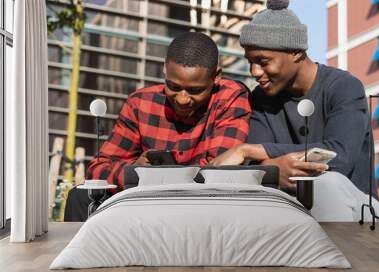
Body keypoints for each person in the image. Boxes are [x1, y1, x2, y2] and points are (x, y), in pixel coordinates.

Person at [211, 0, 379, 221]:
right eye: (250, 62)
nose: (255, 72)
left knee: (328, 183)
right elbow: (255, 169)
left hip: (366, 215)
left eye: (263, 61)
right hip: (300, 215)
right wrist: (275, 169)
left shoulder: (344, 86)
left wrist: (248, 150)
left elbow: (339, 158)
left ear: (296, 52)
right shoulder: (260, 97)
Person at [64, 32, 251, 221]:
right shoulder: (141, 103)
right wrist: (135, 171)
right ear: (165, 70)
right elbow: (97, 169)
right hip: (146, 202)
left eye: (195, 90)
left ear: (216, 76)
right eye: (173, 87)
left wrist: (160, 176)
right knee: (80, 195)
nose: (183, 99)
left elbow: (219, 173)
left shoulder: (231, 97)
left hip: (201, 205)